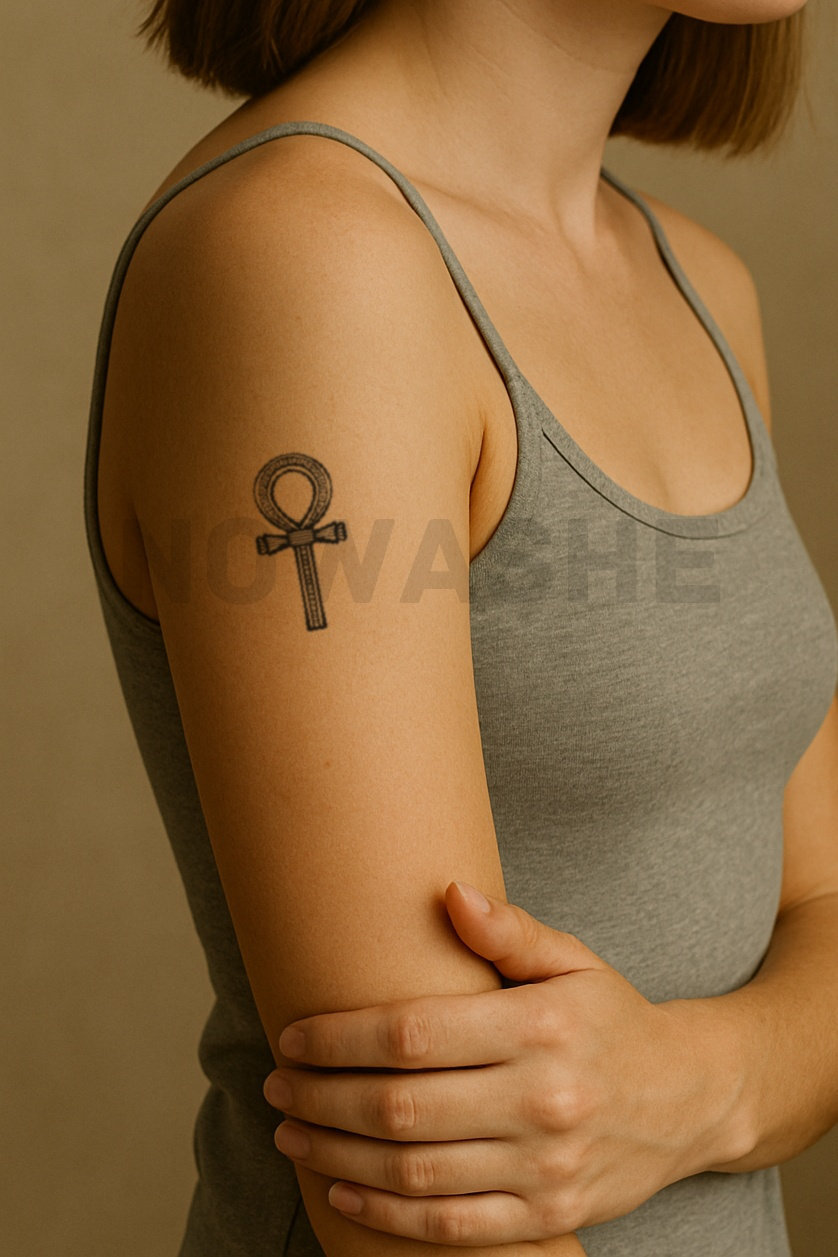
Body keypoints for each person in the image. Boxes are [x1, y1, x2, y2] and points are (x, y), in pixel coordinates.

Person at [82, 1, 838, 1254]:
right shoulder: (306, 262)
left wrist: (687, 1086)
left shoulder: (700, 285)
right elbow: (419, 1205)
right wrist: (749, 1073)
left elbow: (823, 910)